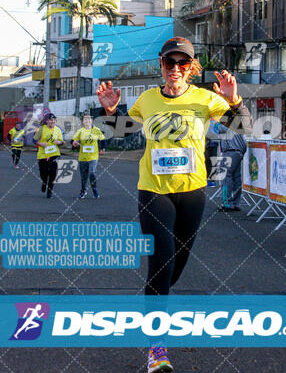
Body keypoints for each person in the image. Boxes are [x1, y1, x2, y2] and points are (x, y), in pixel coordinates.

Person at [97, 36, 252, 373]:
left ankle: (157, 301)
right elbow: (120, 132)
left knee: (175, 268)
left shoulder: (206, 99)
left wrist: (235, 100)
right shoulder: (148, 100)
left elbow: (243, 127)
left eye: (183, 63)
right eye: (170, 63)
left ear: (191, 68)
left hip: (192, 192)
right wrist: (109, 110)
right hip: (153, 191)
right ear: (161, 65)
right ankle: (157, 347)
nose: (176, 69)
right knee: (161, 262)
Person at [210, 119, 247, 212]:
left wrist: (214, 121)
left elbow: (220, 129)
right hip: (238, 150)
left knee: (225, 176)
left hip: (231, 151)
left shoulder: (226, 120)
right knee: (236, 177)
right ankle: (235, 203)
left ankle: (227, 203)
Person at [72, 113, 106, 199]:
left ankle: (94, 189)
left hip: (93, 157)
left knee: (92, 173)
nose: (87, 120)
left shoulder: (96, 130)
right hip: (83, 157)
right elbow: (73, 140)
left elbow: (103, 140)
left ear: (91, 120)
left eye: (89, 118)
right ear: (83, 121)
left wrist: (103, 149)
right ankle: (83, 191)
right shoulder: (80, 131)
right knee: (84, 177)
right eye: (85, 119)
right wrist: (74, 143)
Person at [34, 113, 64, 198]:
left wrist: (59, 142)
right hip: (42, 155)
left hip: (54, 154)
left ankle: (50, 191)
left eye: (54, 120)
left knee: (53, 174)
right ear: (47, 121)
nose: (53, 121)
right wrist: (41, 144)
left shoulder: (58, 130)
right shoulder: (41, 129)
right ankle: (44, 182)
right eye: (51, 120)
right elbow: (34, 140)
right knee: (43, 174)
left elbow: (62, 142)